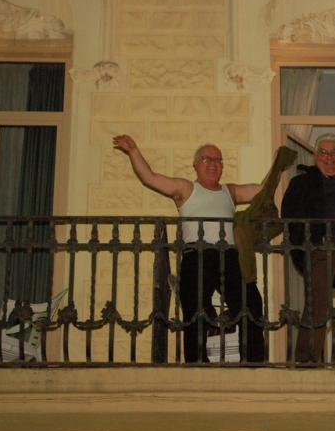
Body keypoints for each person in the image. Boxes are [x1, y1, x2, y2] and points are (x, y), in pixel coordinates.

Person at [113, 134, 266, 363]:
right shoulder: (186, 188)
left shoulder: (230, 191)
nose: (213, 163)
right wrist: (133, 150)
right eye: (207, 159)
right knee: (196, 309)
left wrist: (279, 163)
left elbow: (265, 189)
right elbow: (149, 177)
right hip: (198, 255)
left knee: (251, 303)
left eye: (218, 159)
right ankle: (197, 363)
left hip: (230, 256)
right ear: (196, 164)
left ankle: (254, 362)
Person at [281, 133, 335, 364]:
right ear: (314, 156)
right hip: (320, 247)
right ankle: (307, 362)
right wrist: (303, 252)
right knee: (316, 307)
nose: (328, 157)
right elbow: (289, 218)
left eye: (334, 152)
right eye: (323, 152)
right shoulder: (301, 183)